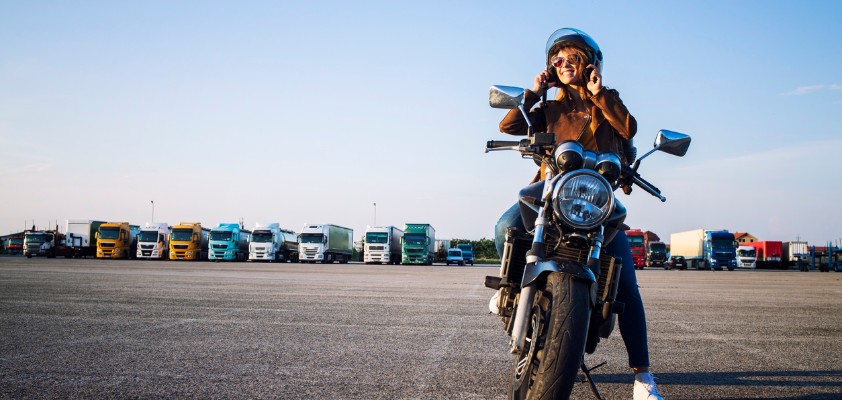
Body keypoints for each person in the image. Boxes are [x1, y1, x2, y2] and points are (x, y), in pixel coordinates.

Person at [493, 28, 664, 400]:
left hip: (595, 199)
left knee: (628, 287)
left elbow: (628, 129)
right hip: (551, 189)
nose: (563, 64)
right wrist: (533, 91)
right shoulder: (549, 108)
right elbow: (508, 126)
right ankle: (510, 288)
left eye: (572, 58)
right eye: (557, 60)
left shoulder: (607, 102)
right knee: (505, 224)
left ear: (589, 64)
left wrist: (599, 94)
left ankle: (643, 378)